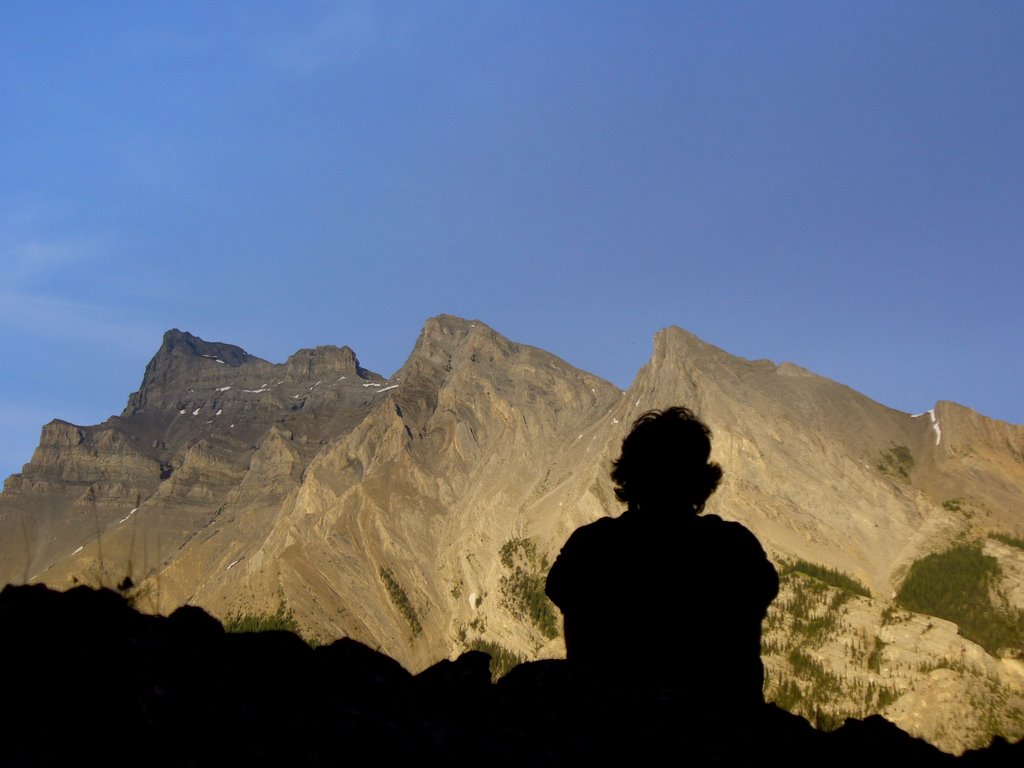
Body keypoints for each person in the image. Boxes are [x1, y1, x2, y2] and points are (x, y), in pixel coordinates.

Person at [545, 406, 779, 713]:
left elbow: (559, 589)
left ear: (630, 475)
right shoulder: (735, 547)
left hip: (605, 728)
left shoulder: (592, 546)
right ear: (701, 480)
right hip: (720, 734)